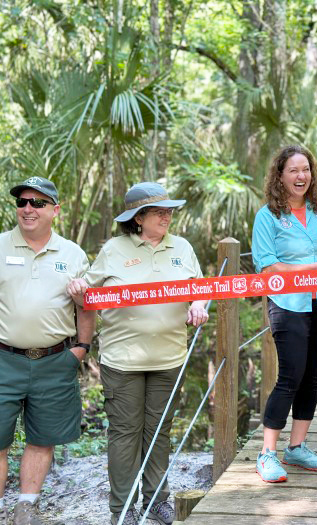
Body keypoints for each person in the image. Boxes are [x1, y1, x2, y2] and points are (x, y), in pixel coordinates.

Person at [67, 182, 208, 525]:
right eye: (159, 211)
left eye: (169, 210)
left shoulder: (182, 247)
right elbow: (88, 294)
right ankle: (123, 509)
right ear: (138, 218)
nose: (167, 216)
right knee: (125, 434)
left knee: (159, 431)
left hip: (170, 357)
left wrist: (199, 305)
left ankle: (155, 500)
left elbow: (201, 288)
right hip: (123, 360)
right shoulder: (114, 250)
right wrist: (78, 291)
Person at [0, 177, 95, 525]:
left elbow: (87, 306)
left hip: (55, 359)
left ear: (55, 210)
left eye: (37, 203)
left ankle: (26, 507)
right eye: (22, 202)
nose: (28, 209)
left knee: (43, 438)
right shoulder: (0, 246)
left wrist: (81, 348)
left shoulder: (72, 254)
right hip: (3, 359)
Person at [252, 145, 317, 483]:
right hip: (288, 304)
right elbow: (268, 266)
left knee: (313, 376)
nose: (301, 176)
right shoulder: (267, 216)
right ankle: (267, 454)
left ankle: (297, 447)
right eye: (293, 170)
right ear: (280, 176)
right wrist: (311, 267)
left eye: (305, 169)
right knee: (290, 376)